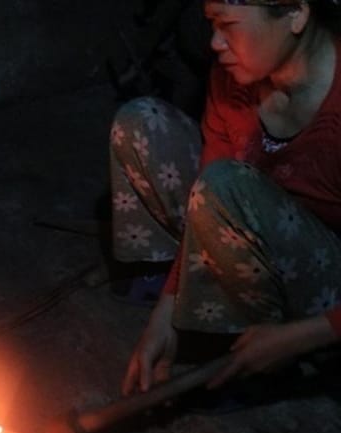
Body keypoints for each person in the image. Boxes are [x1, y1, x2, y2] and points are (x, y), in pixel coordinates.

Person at [110, 0, 341, 398]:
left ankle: (250, 352)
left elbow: (220, 188)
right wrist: (166, 311)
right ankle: (193, 303)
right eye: (212, 24)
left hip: (323, 279)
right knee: (141, 123)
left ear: (296, 14)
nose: (216, 43)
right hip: (242, 222)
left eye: (228, 25)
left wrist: (304, 336)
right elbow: (206, 187)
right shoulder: (233, 78)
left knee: (226, 186)